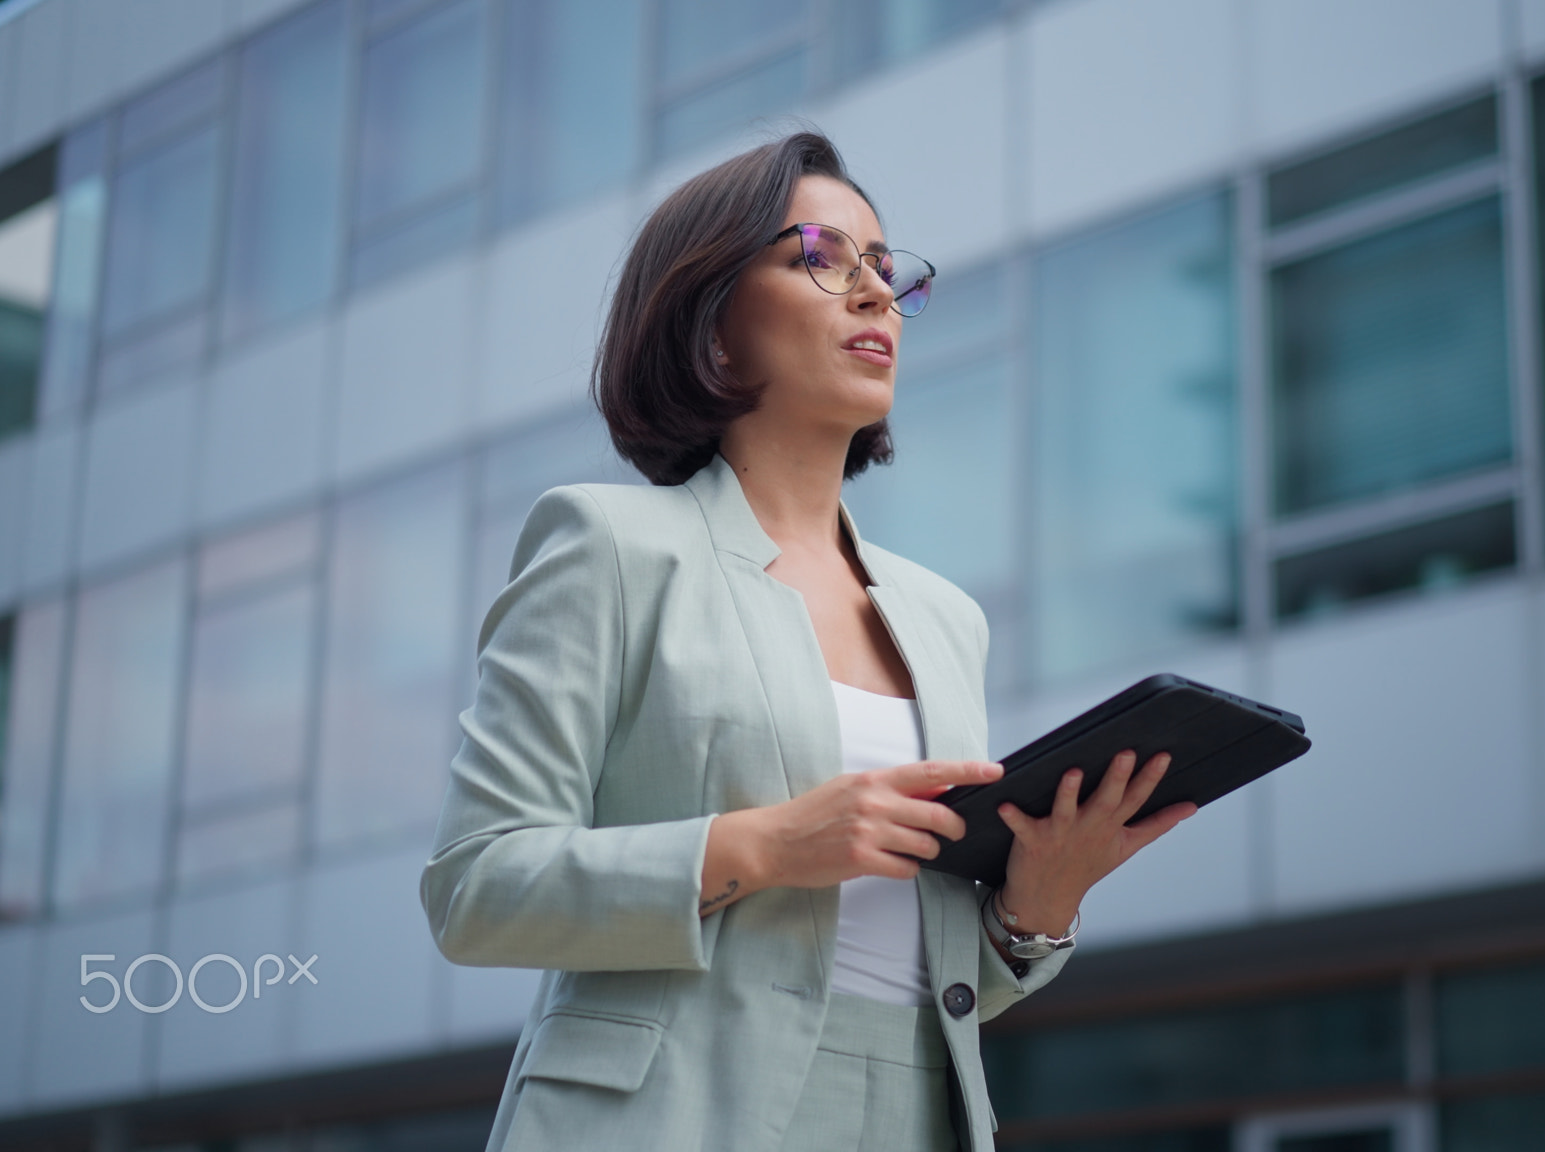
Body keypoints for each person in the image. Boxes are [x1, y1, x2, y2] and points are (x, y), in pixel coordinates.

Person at [418, 131, 1198, 1152]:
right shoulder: (608, 546)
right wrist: (768, 845)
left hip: (915, 1109)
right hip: (666, 1117)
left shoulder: (943, 619)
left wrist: (1036, 905)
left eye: (884, 267)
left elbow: (940, 980)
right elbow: (476, 890)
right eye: (820, 258)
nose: (873, 293)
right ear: (714, 323)